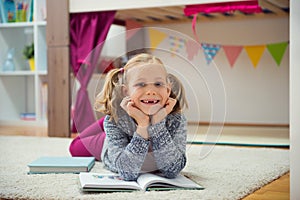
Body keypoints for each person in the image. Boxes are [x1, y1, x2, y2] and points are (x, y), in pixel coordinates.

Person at [70, 53, 188, 181]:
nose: (151, 91)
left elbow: (172, 170)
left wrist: (157, 124)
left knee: (114, 120)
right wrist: (142, 126)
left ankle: (112, 114)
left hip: (124, 125)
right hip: (116, 130)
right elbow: (127, 172)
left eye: (158, 84)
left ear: (168, 90)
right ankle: (109, 117)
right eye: (141, 84)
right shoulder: (115, 122)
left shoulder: (176, 120)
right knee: (75, 147)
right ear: (126, 91)